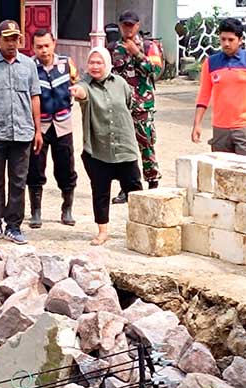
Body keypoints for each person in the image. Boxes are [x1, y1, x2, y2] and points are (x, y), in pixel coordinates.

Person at [0, 20, 43, 245]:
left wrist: (38, 130)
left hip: (23, 132)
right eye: (7, 38)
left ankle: (14, 226)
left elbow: (34, 97)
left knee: (18, 182)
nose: (12, 43)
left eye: (16, 38)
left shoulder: (29, 65)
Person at [69, 47, 143, 246]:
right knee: (100, 191)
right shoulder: (85, 84)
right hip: (98, 148)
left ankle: (141, 228)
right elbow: (81, 93)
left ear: (107, 63)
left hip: (124, 145)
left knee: (135, 190)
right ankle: (103, 232)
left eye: (99, 62)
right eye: (91, 62)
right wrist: (77, 92)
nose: (95, 66)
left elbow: (128, 105)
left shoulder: (121, 83)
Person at [191, 18, 246, 156]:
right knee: (221, 174)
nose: (226, 43)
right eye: (223, 39)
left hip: (245, 127)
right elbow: (204, 95)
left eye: (231, 40)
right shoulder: (211, 63)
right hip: (220, 128)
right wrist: (197, 124)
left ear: (240, 40)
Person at [108, 10, 163, 204]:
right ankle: (127, 187)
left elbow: (156, 70)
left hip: (142, 106)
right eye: (125, 25)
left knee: (146, 145)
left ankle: (153, 183)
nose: (128, 29)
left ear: (138, 26)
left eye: (131, 25)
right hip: (121, 107)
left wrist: (137, 53)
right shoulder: (113, 48)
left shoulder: (149, 46)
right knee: (123, 149)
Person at [27, 29, 79, 229]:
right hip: (39, 125)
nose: (44, 50)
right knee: (35, 167)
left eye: (47, 45)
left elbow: (78, 83)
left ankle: (67, 208)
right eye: (39, 47)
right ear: (33, 47)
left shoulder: (66, 64)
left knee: (66, 166)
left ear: (54, 44)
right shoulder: (29, 66)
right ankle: (36, 211)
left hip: (63, 124)